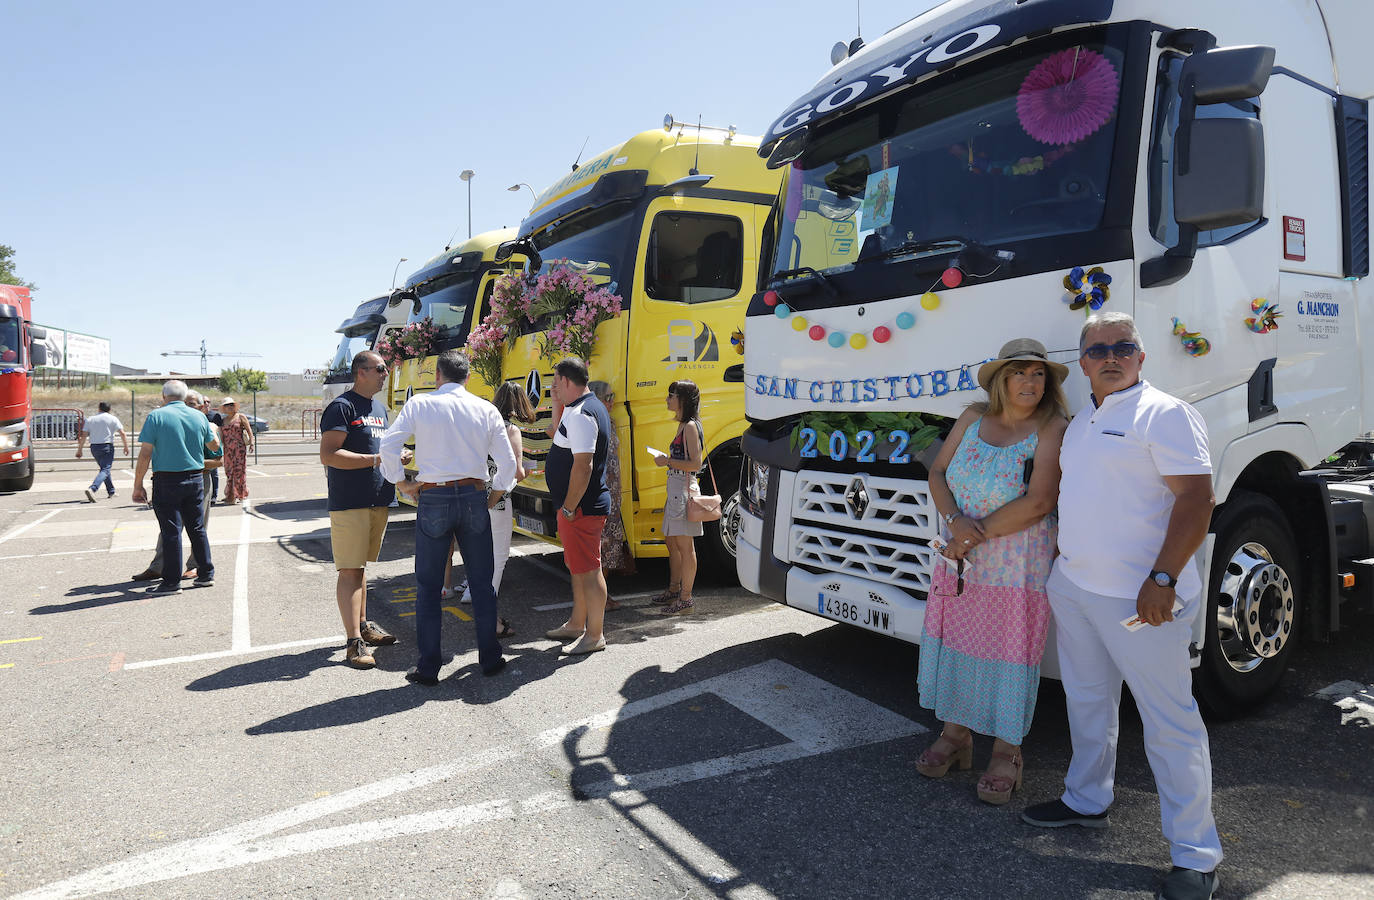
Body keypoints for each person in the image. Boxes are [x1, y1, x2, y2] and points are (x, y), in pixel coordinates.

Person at [1021, 312, 1221, 900]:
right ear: (1082, 363)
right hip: (1076, 588)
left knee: (1170, 723)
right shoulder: (1084, 419)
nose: (1111, 355)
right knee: (1087, 702)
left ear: (1141, 356)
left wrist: (1164, 577)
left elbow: (1197, 500)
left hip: (1141, 601)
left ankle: (1195, 855)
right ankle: (1087, 800)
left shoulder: (1166, 413)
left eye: (1123, 347)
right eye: (1098, 348)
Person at [915, 338, 1069, 805]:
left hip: (1015, 563)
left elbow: (1041, 501)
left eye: (1038, 374)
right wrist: (955, 524)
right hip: (961, 556)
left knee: (1009, 648)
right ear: (1001, 380)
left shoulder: (1052, 426)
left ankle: (1007, 750)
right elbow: (937, 474)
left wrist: (970, 533)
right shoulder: (971, 418)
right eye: (1020, 373)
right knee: (959, 640)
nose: (1030, 382)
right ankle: (957, 734)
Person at [379, 349, 517, 684]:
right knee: (482, 583)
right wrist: (495, 494)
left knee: (427, 586)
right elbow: (509, 464)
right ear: (468, 377)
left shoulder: (420, 404)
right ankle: (490, 658)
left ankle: (428, 666)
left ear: (437, 376)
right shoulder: (485, 409)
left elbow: (388, 445)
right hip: (473, 495)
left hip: (434, 495)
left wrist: (402, 483)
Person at [320, 350, 401, 669]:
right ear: (361, 372)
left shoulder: (379, 409)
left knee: (361, 568)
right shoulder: (342, 406)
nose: (385, 373)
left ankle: (364, 626)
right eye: (380, 369)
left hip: (376, 498)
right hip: (350, 501)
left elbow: (379, 450)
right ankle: (353, 641)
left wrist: (396, 456)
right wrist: (376, 460)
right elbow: (329, 454)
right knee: (350, 570)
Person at [542, 357, 613, 654]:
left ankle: (594, 635)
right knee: (578, 567)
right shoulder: (577, 408)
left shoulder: (584, 412)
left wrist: (569, 508)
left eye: (556, 382)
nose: (553, 388)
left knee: (589, 570)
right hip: (575, 507)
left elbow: (583, 467)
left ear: (568, 381)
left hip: (581, 508)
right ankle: (576, 624)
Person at [131, 380, 218, 595]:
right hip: (196, 478)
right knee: (197, 528)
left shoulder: (156, 416)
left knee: (171, 531)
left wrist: (138, 484)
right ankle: (206, 573)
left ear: (163, 396)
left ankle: (171, 582)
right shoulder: (199, 416)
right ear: (185, 396)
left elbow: (145, 454)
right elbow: (214, 445)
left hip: (167, 480)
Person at [457, 381, 533, 616]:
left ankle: (470, 590)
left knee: (476, 548)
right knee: (498, 554)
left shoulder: (478, 425)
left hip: (472, 494)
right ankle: (485, 601)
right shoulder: (511, 430)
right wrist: (530, 471)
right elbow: (516, 471)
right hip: (498, 498)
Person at [651, 380, 705, 614]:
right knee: (672, 542)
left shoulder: (690, 427)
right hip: (675, 488)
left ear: (682, 399)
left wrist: (668, 461)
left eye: (671, 395)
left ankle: (685, 598)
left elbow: (696, 463)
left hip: (682, 490)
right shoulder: (685, 425)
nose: (667, 399)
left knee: (684, 545)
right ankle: (675, 589)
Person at [589, 380, 633, 608]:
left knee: (609, 543)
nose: (612, 401)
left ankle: (602, 594)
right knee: (598, 544)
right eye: (608, 397)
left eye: (612, 396)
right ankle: (598, 597)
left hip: (613, 492)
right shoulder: (591, 424)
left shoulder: (611, 422)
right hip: (599, 490)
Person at [76, 401, 129, 502]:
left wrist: (80, 450)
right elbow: (122, 433)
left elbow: (83, 436)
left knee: (104, 469)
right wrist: (125, 446)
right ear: (109, 409)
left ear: (99, 408)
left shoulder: (91, 419)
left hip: (94, 447)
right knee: (105, 469)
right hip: (107, 446)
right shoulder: (113, 418)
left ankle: (111, 491)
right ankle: (93, 488)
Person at [219, 397, 254, 504]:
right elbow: (221, 436)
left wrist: (252, 443)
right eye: (227, 405)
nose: (229, 407)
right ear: (224, 408)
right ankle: (230, 494)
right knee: (229, 472)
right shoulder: (223, 420)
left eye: (231, 405)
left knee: (240, 471)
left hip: (239, 449)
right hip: (228, 449)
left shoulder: (241, 417)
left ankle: (239, 494)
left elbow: (249, 431)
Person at [201, 397, 224, 502]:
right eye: (204, 401)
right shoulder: (195, 416)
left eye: (208, 402)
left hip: (212, 446)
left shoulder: (214, 416)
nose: (206, 404)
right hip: (201, 447)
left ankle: (214, 496)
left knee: (214, 472)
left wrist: (221, 447)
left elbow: (220, 432)